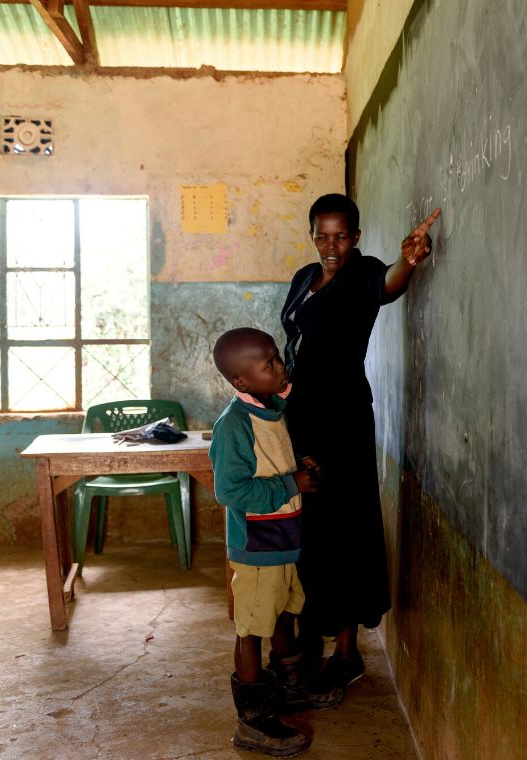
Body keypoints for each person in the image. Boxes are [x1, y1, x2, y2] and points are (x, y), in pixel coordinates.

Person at [280, 193, 441, 691]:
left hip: (343, 420)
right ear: (311, 234)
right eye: (323, 235)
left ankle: (346, 653)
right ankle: (313, 640)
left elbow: (388, 285)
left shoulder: (363, 272)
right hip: (301, 416)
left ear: (357, 236)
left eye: (342, 236)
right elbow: (293, 343)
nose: (332, 246)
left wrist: (409, 260)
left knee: (343, 529)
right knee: (309, 531)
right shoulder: (303, 279)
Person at [209, 327, 342, 757]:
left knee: (285, 614)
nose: (282, 367)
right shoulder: (233, 425)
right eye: (270, 365)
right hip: (258, 548)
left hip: (284, 542)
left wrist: (297, 466)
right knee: (251, 630)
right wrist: (292, 483)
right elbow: (231, 492)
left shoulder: (270, 409)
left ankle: (289, 688)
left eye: (277, 358)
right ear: (241, 382)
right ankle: (253, 720)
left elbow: (275, 457)